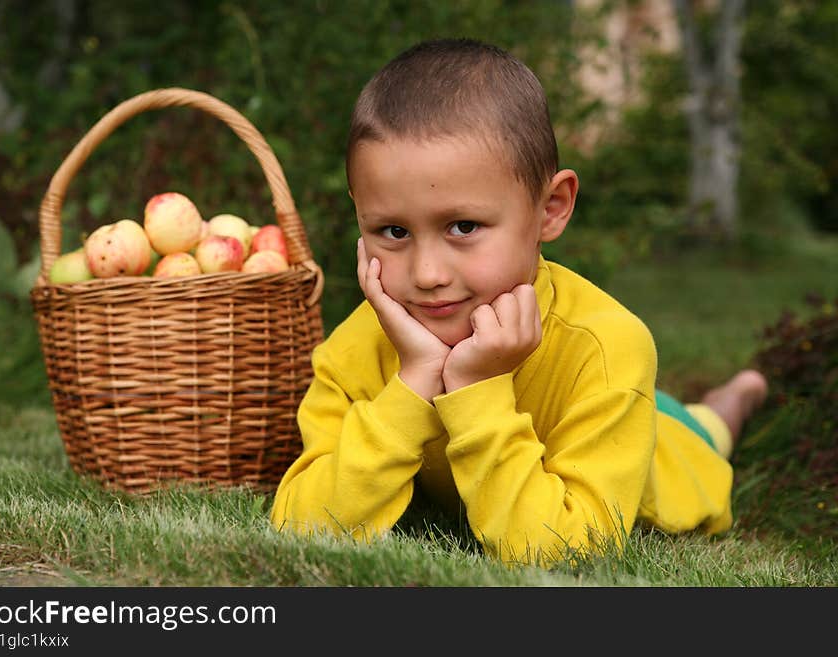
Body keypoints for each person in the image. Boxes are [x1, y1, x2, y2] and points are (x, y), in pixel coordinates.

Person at [270, 38, 768, 566]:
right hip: (597, 405)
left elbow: (563, 553)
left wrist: (478, 389)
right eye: (393, 231)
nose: (427, 274)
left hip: (665, 453)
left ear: (551, 208)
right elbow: (300, 526)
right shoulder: (356, 349)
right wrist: (412, 383)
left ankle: (730, 402)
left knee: (702, 431)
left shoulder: (609, 349)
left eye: (463, 227)